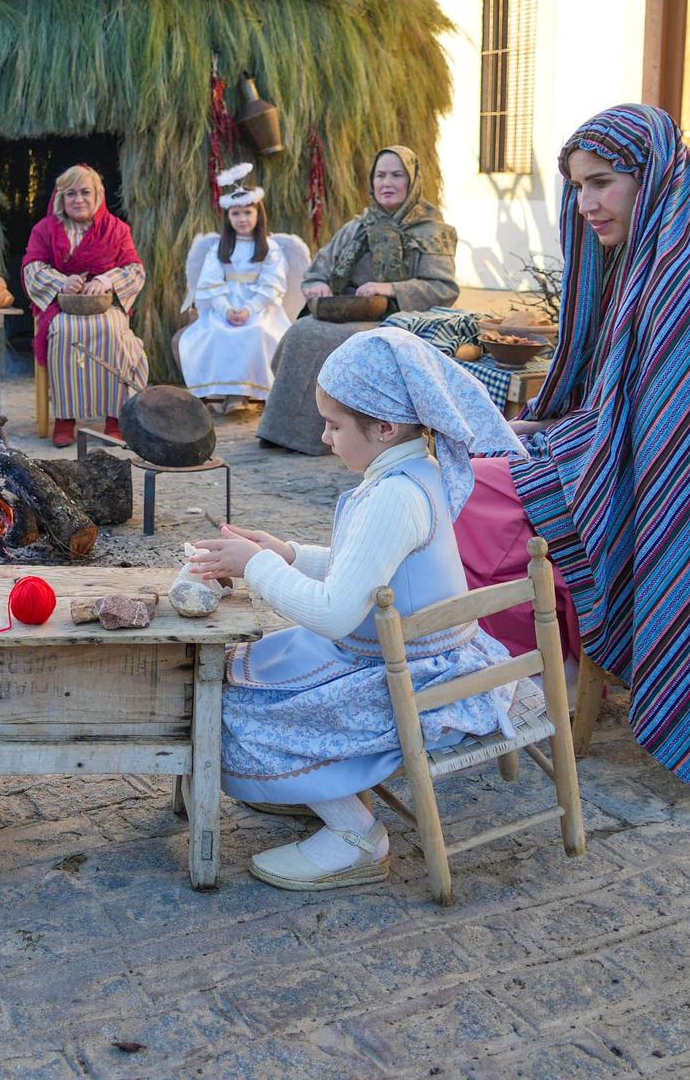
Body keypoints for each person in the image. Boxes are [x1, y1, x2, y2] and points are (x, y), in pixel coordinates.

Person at [453, 104, 690, 801]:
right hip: (663, 474)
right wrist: (549, 436)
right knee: (487, 465)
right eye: (578, 187)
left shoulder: (689, 288)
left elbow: (666, 448)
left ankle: (525, 669)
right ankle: (526, 661)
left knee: (458, 492)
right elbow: (642, 421)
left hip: (684, 499)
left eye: (604, 183)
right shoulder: (682, 266)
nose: (586, 204)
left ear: (656, 180)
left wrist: (547, 442)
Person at [186, 327, 528, 889]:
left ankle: (356, 835)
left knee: (231, 705)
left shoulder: (394, 496)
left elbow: (335, 614)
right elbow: (368, 572)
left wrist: (255, 566)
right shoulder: (411, 470)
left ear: (385, 426)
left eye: (334, 425)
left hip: (407, 677)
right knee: (241, 673)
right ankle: (314, 786)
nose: (324, 438)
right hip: (406, 653)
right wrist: (287, 553)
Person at [258, 146, 461, 455]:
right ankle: (282, 430)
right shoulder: (356, 228)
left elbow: (443, 288)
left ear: (413, 181)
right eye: (381, 175)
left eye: (397, 175)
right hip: (347, 310)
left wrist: (390, 288)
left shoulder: (433, 231)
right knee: (302, 332)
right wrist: (319, 286)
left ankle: (332, 436)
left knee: (350, 342)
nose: (387, 183)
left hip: (395, 316)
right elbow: (317, 272)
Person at [21, 164, 149, 448]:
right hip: (63, 309)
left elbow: (134, 269)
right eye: (70, 194)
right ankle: (66, 419)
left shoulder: (117, 229)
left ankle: (115, 418)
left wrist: (106, 279)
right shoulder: (45, 230)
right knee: (63, 333)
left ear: (98, 196)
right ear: (60, 199)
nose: (78, 199)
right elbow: (32, 267)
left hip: (105, 308)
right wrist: (60, 282)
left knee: (115, 334)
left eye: (85, 193)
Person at [177, 165, 290, 413]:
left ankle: (248, 392)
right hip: (225, 305)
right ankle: (223, 391)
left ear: (258, 214)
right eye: (236, 213)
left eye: (248, 212)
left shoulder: (270, 248)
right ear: (228, 217)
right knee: (217, 332)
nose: (242, 219)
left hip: (259, 307)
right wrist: (226, 310)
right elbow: (210, 283)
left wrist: (250, 309)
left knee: (258, 332)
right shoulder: (218, 248)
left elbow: (272, 283)